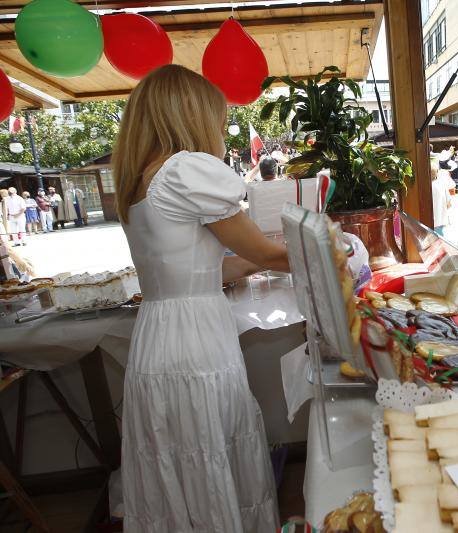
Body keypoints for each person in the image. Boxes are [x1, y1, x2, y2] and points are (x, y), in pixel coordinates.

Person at [112, 64, 288, 531]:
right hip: (195, 344)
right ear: (191, 114)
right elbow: (265, 249)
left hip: (157, 339)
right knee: (211, 451)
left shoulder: (139, 181)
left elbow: (194, 270)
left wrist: (262, 260)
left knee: (177, 466)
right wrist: (321, 250)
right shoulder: (183, 171)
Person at [431, 161, 450, 236]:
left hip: (428, 222)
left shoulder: (425, 186)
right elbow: (449, 204)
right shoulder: (442, 185)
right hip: (440, 220)